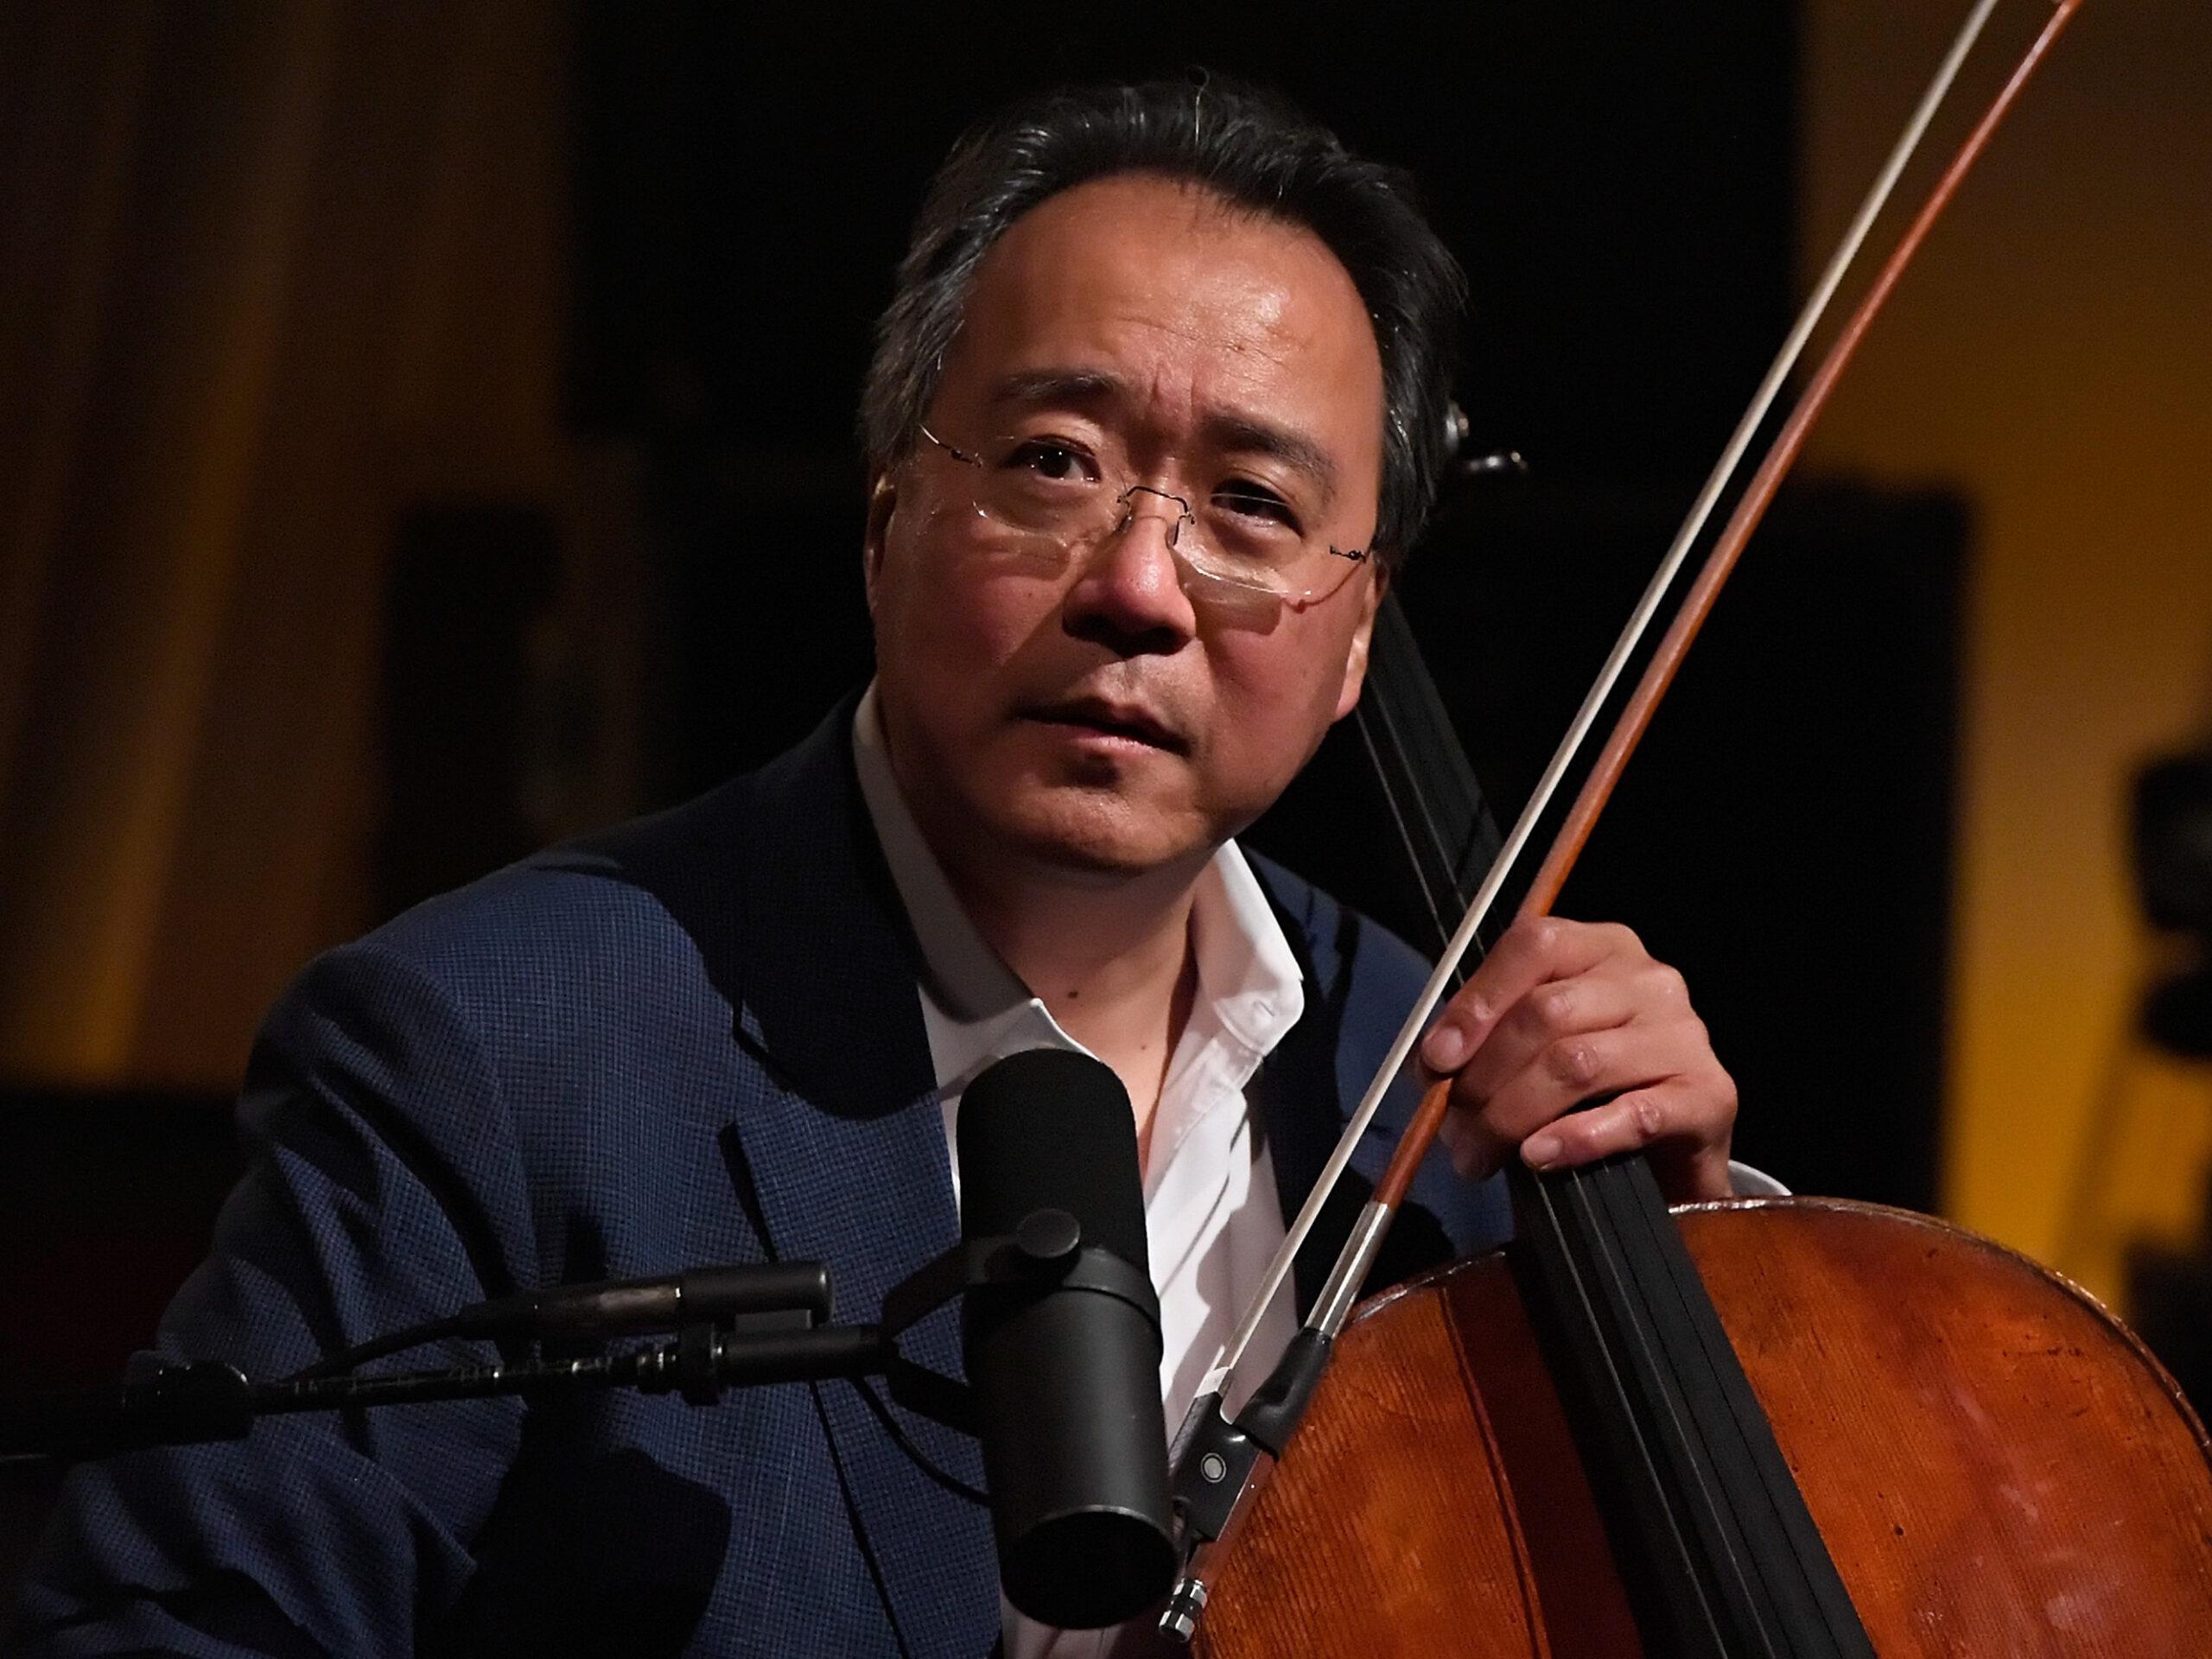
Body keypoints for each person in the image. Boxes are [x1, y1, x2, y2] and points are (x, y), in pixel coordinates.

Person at [12, 79, 1751, 1657]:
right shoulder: (492, 1050)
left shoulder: (1461, 1111)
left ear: (1358, 631)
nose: (1138, 587)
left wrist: (1699, 1258)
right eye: (1054, 464)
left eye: (1249, 507)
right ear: (882, 521)